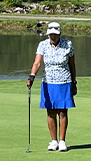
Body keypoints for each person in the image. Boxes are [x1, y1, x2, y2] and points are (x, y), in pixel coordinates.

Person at [27, 21, 77, 151]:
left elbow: (72, 65)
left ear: (59, 33)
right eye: (50, 34)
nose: (52, 37)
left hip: (64, 81)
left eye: (55, 34)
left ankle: (62, 141)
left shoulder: (68, 45)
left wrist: (74, 82)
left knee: (62, 112)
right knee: (50, 112)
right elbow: (37, 63)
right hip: (48, 82)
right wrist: (32, 76)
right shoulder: (43, 45)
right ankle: (53, 141)